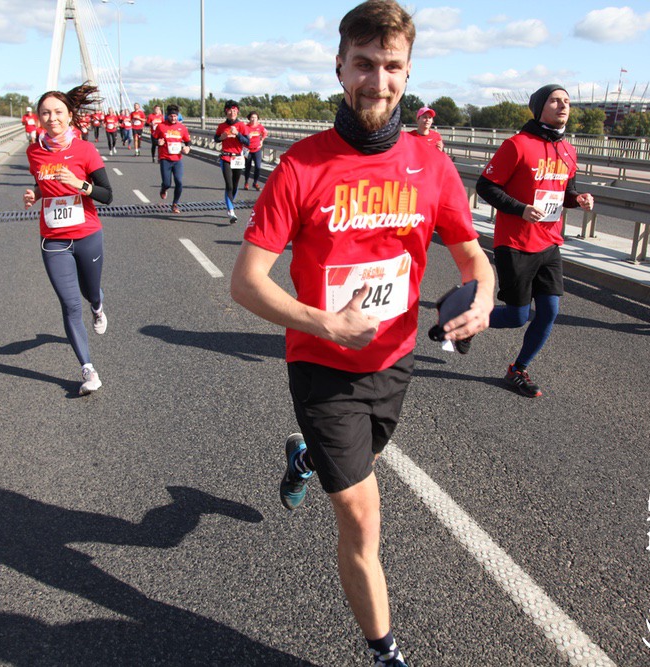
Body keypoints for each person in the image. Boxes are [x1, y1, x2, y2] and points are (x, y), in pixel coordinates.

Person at [229, 3, 494, 665]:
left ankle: (305, 456)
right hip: (322, 364)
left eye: (392, 66)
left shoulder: (432, 164)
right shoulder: (301, 167)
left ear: (408, 72)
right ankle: (385, 653)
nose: (378, 81)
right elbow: (246, 282)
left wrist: (484, 296)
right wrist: (325, 322)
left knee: (355, 468)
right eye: (365, 64)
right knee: (361, 514)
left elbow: (472, 257)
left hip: (394, 362)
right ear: (341, 68)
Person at [475, 84, 594, 398]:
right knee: (516, 316)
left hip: (550, 242)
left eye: (567, 101)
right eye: (555, 100)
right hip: (515, 242)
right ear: (540, 107)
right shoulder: (517, 145)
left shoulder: (568, 150)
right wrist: (521, 209)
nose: (563, 105)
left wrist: (578, 199)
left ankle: (518, 369)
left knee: (549, 311)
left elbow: (566, 192)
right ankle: (466, 318)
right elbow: (485, 186)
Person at [23, 84, 114, 396]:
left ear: (70, 115)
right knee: (70, 304)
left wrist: (80, 184)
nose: (52, 118)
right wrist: (35, 194)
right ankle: (88, 369)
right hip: (53, 240)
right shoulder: (34, 152)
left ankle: (98, 305)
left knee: (90, 293)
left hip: (87, 234)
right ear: (38, 118)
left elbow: (107, 195)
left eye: (58, 112)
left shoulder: (85, 150)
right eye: (46, 113)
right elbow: (43, 183)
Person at [153, 104, 191, 214]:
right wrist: (158, 142)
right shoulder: (161, 126)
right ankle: (163, 189)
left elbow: (188, 141)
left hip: (177, 159)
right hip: (165, 158)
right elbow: (154, 139)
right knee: (167, 183)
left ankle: (175, 204)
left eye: (175, 116)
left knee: (179, 181)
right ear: (167, 116)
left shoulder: (182, 128)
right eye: (171, 116)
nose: (173, 118)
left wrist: (188, 147)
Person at [214, 100, 248, 222]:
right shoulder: (222, 126)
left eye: (234, 111)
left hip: (238, 158)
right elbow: (216, 138)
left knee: (234, 185)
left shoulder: (241, 126)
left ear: (237, 112)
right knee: (229, 185)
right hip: (226, 157)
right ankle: (231, 211)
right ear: (226, 112)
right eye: (230, 110)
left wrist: (237, 134)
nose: (232, 113)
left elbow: (247, 142)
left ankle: (230, 204)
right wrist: (220, 138)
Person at [242, 111, 269, 191]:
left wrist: (262, 140)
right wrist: (247, 137)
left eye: (255, 118)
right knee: (248, 167)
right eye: (252, 117)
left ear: (257, 119)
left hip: (257, 149)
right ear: (249, 118)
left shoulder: (260, 127)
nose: (254, 119)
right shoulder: (246, 127)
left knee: (258, 167)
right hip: (247, 150)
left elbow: (265, 132)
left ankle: (255, 183)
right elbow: (241, 137)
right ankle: (246, 182)